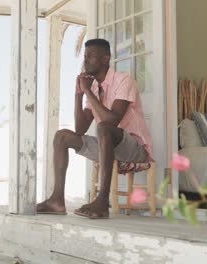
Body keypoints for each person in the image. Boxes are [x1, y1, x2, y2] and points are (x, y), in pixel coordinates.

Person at [36, 38, 154, 219]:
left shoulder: (124, 81)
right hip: (106, 145)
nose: (85, 60)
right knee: (62, 136)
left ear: (105, 59)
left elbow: (112, 121)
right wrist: (78, 94)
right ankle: (57, 200)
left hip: (135, 149)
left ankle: (101, 202)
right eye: (84, 56)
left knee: (104, 127)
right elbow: (80, 129)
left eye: (90, 56)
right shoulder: (92, 88)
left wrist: (88, 92)